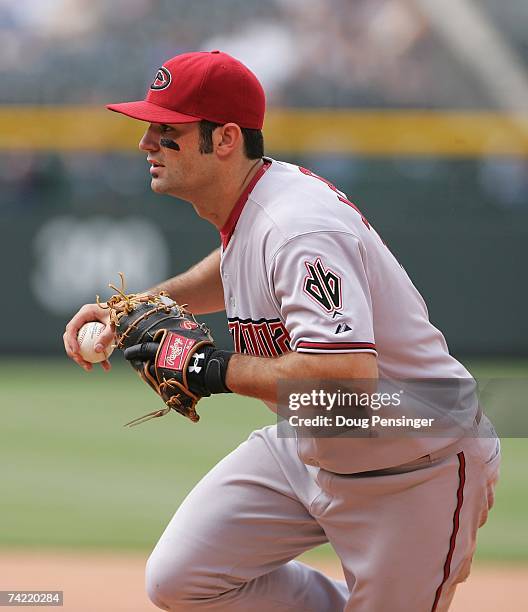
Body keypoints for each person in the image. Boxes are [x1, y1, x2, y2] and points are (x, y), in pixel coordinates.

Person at [63, 51, 500, 612]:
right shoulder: (255, 202)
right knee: (181, 579)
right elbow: (229, 267)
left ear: (223, 139)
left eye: (167, 129)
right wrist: (141, 305)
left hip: (417, 463)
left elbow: (346, 382)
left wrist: (208, 368)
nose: (147, 142)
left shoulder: (298, 228)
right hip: (311, 444)